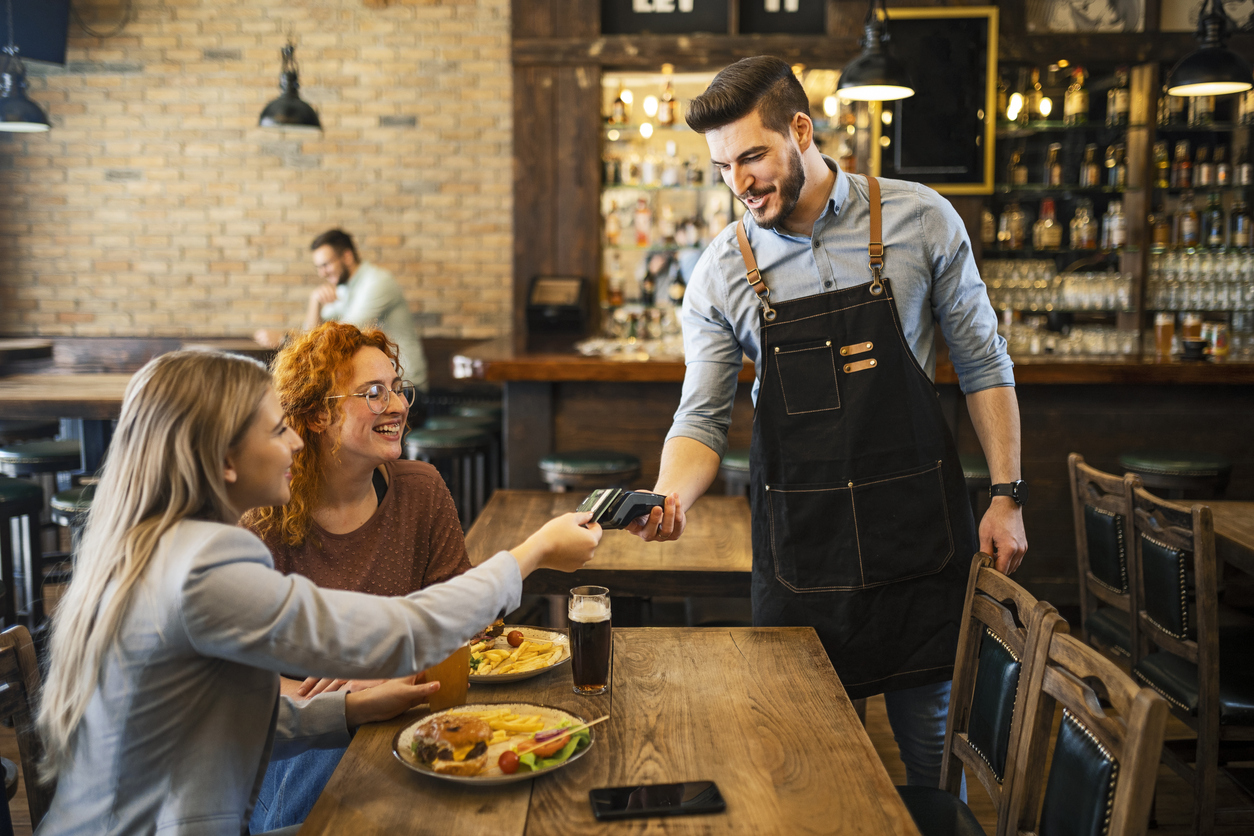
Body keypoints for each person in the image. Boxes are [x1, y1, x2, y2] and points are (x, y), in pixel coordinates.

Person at [627, 56, 1026, 791]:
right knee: (803, 772)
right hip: (803, 555)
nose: (739, 183)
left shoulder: (920, 218)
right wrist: (668, 493)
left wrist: (1006, 495)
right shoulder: (721, 272)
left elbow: (984, 364)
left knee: (934, 760)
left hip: (917, 543)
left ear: (801, 131)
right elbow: (702, 417)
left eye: (751, 156)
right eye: (722, 167)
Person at [35, 350, 600, 835]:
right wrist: (535, 554)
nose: (296, 443)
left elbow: (222, 718)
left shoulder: (153, 547)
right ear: (226, 460)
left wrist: (350, 709)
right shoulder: (205, 564)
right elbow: (404, 630)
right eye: (279, 428)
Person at [242, 322, 470, 831]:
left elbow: (463, 627)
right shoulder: (262, 515)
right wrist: (345, 704)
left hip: (405, 726)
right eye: (374, 393)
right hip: (292, 749)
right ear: (319, 414)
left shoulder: (421, 490)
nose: (398, 405)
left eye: (396, 388)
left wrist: (391, 678)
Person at [254, 229, 429, 392]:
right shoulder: (343, 288)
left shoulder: (377, 282)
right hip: (376, 384)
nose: (322, 273)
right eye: (318, 267)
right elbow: (313, 335)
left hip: (404, 386)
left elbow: (342, 334)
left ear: (347, 257)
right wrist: (314, 301)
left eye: (326, 265)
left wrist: (285, 339)